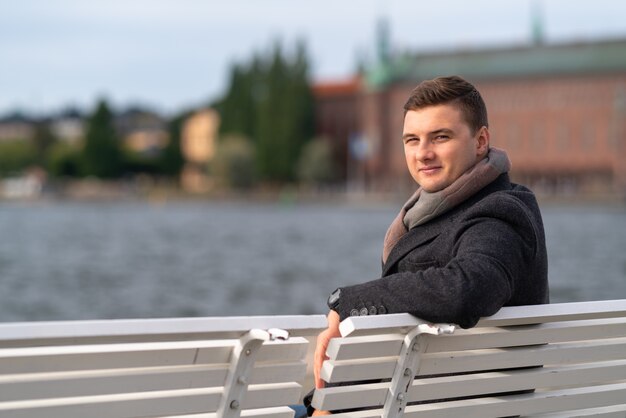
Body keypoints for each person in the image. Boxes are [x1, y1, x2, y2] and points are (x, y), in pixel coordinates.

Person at [306, 75, 549, 416]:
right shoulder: (443, 210)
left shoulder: (498, 213)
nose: (423, 153)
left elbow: (467, 289)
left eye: (441, 137)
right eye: (412, 139)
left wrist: (349, 302)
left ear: (481, 141)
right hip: (430, 399)